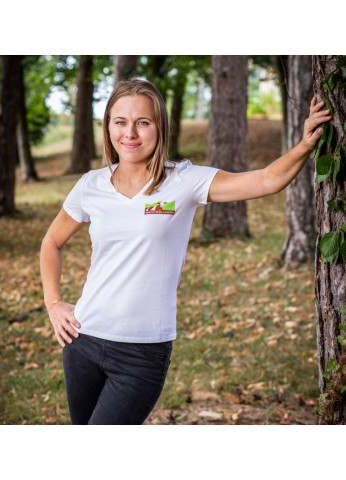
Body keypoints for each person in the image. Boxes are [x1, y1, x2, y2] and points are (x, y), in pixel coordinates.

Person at [40, 77, 331, 425]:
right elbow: (51, 242)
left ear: (160, 127)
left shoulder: (184, 181)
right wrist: (54, 302)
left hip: (141, 351)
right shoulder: (90, 185)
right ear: (108, 127)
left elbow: (266, 180)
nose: (130, 133)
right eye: (120, 122)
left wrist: (303, 144)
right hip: (83, 342)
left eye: (142, 122)